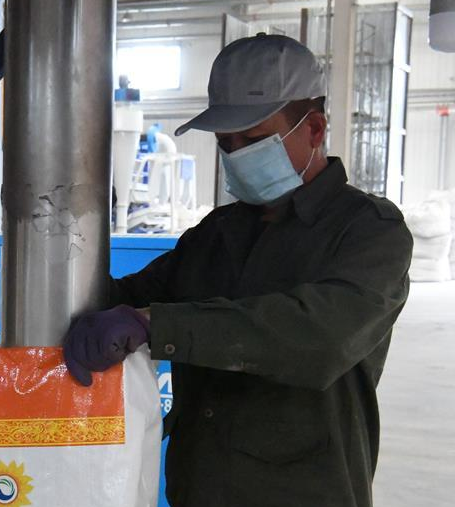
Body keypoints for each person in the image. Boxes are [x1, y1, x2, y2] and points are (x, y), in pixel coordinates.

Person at [62, 33, 412, 507]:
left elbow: (320, 337)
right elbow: (127, 296)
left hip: (304, 494)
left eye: (253, 140)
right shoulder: (217, 232)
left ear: (314, 129)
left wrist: (156, 324)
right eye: (226, 143)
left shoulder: (369, 230)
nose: (237, 155)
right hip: (200, 489)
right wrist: (58, 277)